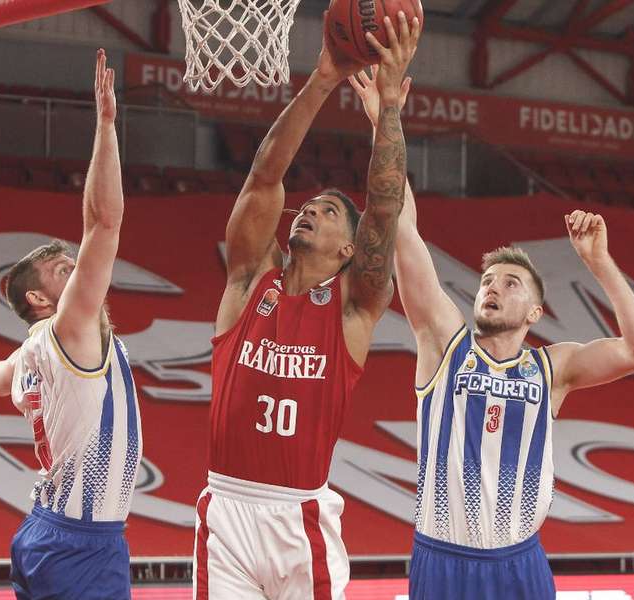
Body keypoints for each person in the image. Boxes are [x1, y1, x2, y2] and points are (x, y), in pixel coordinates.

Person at [348, 67, 634, 600]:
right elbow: (402, 225)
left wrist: (601, 264)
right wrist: (385, 122)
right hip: (443, 558)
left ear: (535, 311)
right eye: (488, 280)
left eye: (510, 282)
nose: (492, 287)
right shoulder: (444, 342)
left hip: (520, 561)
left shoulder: (552, 367)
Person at [193, 12, 420, 600]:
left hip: (301, 518)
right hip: (227, 513)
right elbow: (264, 178)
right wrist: (323, 79)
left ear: (349, 247)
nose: (309, 210)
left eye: (327, 210)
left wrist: (389, 109)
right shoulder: (248, 281)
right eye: (309, 204)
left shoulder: (353, 309)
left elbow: (386, 208)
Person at [0, 49, 139, 600]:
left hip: (45, 531)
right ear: (39, 297)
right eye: (61, 271)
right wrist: (105, 124)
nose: (77, 274)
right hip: (83, 542)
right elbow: (103, 223)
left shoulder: (32, 351)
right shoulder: (70, 327)